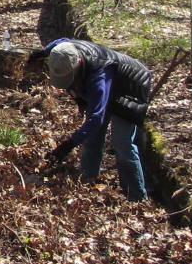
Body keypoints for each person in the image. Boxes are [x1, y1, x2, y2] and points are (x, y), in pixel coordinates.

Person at [33, 38, 153, 201]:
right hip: (110, 84)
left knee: (122, 142)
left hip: (131, 88)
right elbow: (59, 41)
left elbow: (96, 118)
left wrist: (69, 144)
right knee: (92, 138)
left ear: (78, 64)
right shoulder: (61, 50)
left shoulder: (99, 77)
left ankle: (137, 196)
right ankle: (87, 182)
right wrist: (41, 53)